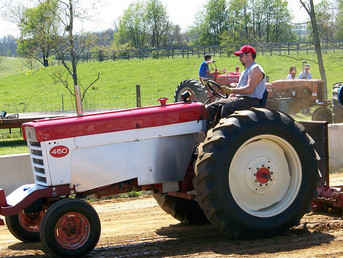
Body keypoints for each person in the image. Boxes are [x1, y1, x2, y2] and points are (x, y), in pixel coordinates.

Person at [206, 45, 266, 127]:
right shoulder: (247, 69)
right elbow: (241, 88)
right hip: (242, 98)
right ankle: (209, 130)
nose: (239, 58)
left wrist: (231, 90)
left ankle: (225, 133)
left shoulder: (255, 69)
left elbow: (249, 89)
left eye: (241, 55)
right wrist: (231, 94)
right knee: (212, 107)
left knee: (226, 108)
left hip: (251, 100)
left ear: (249, 55)